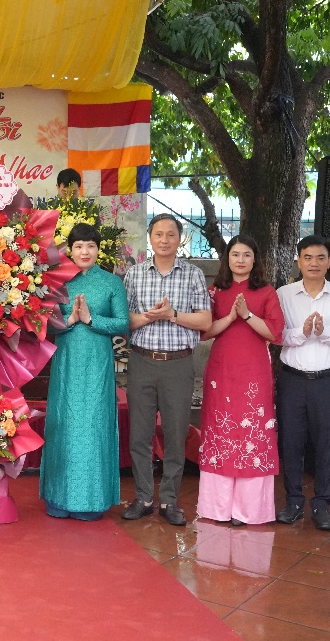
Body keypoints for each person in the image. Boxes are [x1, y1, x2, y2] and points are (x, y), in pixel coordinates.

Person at [122, 214, 212, 525]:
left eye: (170, 234)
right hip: (142, 361)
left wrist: (172, 314)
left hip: (178, 364)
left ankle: (170, 501)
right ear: (150, 238)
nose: (164, 239)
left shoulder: (193, 275)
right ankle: (144, 497)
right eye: (158, 234)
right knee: (140, 435)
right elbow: (125, 321)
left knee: (176, 434)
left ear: (180, 239)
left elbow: (205, 321)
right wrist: (150, 317)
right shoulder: (134, 275)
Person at [39, 222, 130, 521]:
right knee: (63, 425)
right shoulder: (57, 282)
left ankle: (91, 500)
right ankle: (58, 497)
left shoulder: (111, 283)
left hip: (97, 366)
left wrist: (91, 320)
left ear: (98, 249)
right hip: (66, 364)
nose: (85, 251)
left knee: (93, 425)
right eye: (78, 246)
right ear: (70, 250)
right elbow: (43, 325)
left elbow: (122, 324)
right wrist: (71, 320)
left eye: (90, 245)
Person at [197, 235, 283, 526]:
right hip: (221, 371)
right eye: (235, 254)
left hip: (254, 373)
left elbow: (273, 332)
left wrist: (246, 315)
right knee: (221, 431)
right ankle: (217, 508)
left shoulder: (267, 292)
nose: (241, 260)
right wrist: (232, 316)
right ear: (227, 259)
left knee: (251, 435)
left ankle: (249, 510)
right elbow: (206, 331)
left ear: (255, 259)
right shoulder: (215, 291)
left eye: (247, 254)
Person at [274, 235, 330, 531]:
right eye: (307, 257)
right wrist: (302, 332)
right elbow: (275, 334)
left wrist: (324, 332)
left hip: (328, 381)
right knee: (291, 441)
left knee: (327, 442)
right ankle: (293, 500)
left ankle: (322, 503)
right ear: (298, 261)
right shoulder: (283, 294)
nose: (314, 263)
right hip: (292, 380)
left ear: (329, 261)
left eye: (320, 257)